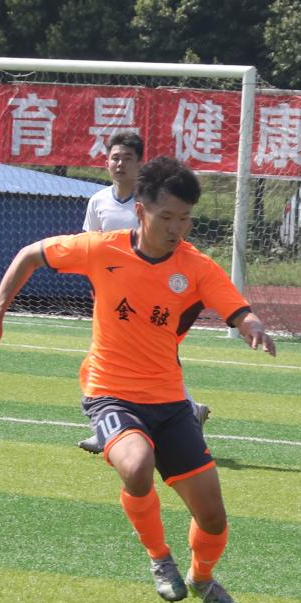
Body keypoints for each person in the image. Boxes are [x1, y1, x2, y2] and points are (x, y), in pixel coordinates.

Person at [0, 155, 276, 603]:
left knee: (213, 517)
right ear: (140, 211)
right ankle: (159, 558)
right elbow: (30, 255)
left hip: (170, 402)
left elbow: (235, 308)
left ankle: (202, 578)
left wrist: (253, 326)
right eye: (167, 217)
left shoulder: (195, 266)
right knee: (136, 466)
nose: (177, 228)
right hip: (109, 392)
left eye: (185, 218)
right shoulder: (101, 249)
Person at [74, 131, 210, 453]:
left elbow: (172, 246)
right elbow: (87, 248)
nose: (120, 164)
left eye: (128, 158)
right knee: (104, 357)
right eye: (115, 158)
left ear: (140, 164)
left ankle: (183, 410)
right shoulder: (98, 201)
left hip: (153, 295)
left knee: (156, 357)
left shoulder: (152, 202)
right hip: (113, 299)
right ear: (106, 162)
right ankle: (110, 424)